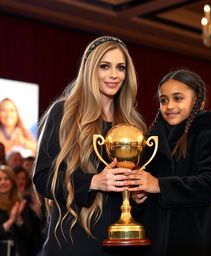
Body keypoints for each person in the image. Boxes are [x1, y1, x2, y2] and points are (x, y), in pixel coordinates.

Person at [33, 36, 146, 256]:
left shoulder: (134, 124)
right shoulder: (64, 113)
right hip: (73, 241)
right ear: (90, 69)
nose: (114, 74)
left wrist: (139, 196)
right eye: (105, 66)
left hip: (123, 243)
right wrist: (94, 181)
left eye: (120, 67)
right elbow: (43, 178)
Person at [127, 69, 211, 256]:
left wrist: (159, 185)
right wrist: (137, 197)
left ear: (198, 100)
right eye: (163, 100)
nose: (169, 106)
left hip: (196, 236)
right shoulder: (151, 139)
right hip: (156, 236)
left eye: (178, 98)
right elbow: (145, 189)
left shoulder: (207, 132)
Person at [0, 165, 32, 256]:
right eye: (0, 179)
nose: (3, 182)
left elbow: (29, 237)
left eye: (6, 179)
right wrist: (10, 221)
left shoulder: (20, 204)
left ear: (12, 182)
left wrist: (19, 220)